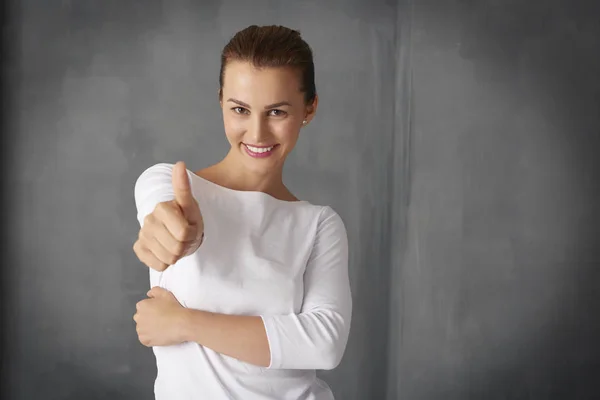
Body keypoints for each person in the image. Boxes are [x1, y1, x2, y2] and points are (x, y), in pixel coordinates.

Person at [131, 24, 352, 400]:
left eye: (277, 112)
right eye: (240, 109)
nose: (257, 133)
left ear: (309, 109)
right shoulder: (168, 183)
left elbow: (324, 343)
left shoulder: (318, 225)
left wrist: (185, 323)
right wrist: (182, 236)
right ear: (221, 101)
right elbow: (170, 224)